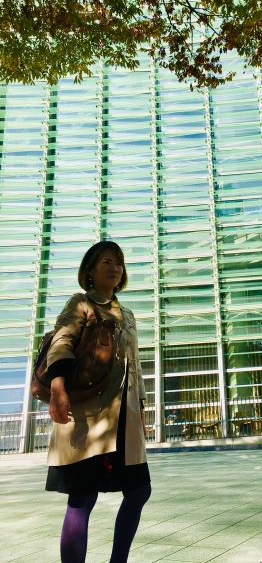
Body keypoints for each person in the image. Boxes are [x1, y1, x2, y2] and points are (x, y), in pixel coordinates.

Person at [45, 241, 151, 563]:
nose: (114, 268)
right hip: (90, 416)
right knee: (83, 497)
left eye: (118, 263)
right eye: (106, 262)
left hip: (125, 420)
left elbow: (135, 366)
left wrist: (141, 408)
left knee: (139, 491)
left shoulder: (127, 314)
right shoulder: (81, 304)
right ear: (90, 269)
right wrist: (58, 386)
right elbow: (62, 342)